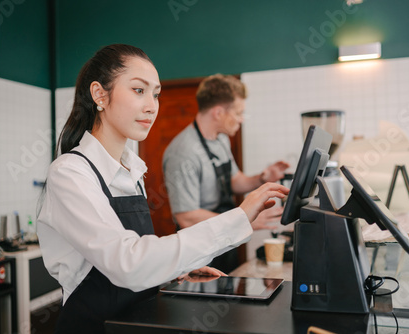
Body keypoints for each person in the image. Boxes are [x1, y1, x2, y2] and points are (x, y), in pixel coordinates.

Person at [36, 44, 289, 333]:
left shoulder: (134, 169)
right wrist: (239, 217)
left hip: (135, 322)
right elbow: (127, 262)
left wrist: (177, 269)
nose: (151, 106)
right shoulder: (69, 173)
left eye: (155, 94)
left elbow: (139, 250)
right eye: (138, 90)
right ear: (99, 95)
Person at [163, 74, 290, 273]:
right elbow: (186, 217)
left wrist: (263, 178)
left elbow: (234, 180)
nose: (241, 119)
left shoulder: (220, 139)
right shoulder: (183, 153)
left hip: (223, 241)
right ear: (218, 112)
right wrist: (242, 220)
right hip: (199, 250)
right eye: (239, 113)